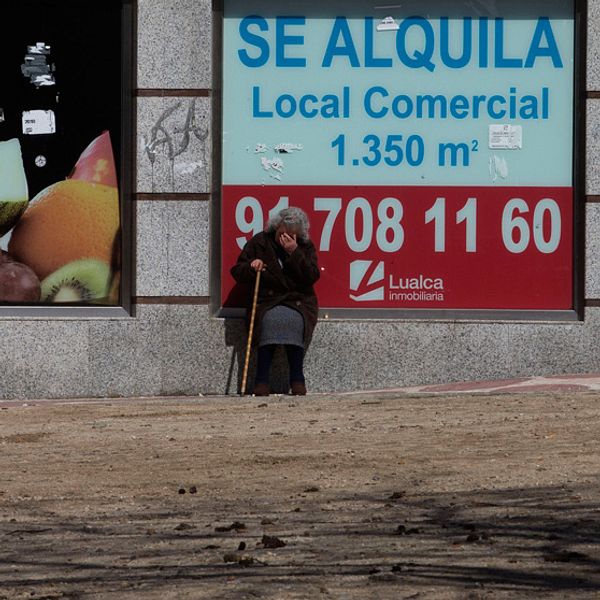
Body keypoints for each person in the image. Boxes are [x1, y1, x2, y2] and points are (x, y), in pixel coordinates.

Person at [231, 206, 320, 396]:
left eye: (291, 235)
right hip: (267, 300)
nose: (285, 238)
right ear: (275, 227)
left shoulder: (304, 246)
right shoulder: (260, 242)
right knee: (269, 321)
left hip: (297, 300)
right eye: (282, 233)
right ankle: (261, 380)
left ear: (299, 234)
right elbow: (237, 270)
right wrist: (251, 267)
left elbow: (311, 276)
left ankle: (297, 378)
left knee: (294, 320)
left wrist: (294, 252)